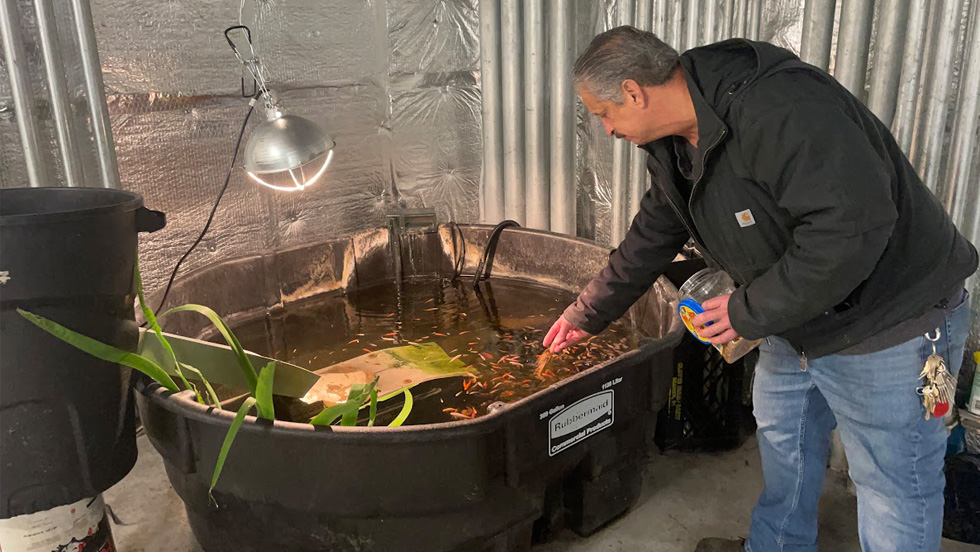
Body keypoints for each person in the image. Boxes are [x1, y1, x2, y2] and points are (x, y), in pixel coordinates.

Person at [542, 26, 977, 552]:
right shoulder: (676, 142)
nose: (607, 130)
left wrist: (748, 309)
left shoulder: (779, 107)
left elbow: (851, 228)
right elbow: (654, 233)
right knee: (786, 450)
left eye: (605, 113)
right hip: (792, 319)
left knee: (893, 485)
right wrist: (586, 313)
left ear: (634, 91)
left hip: (887, 320)